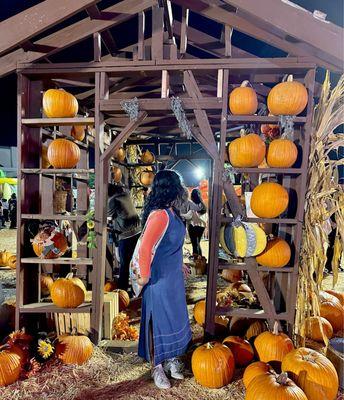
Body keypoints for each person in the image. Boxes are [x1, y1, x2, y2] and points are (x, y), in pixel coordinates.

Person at [136, 170, 191, 390]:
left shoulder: (172, 213)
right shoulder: (159, 215)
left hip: (173, 278)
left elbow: (170, 246)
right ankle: (156, 366)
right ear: (172, 188)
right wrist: (145, 276)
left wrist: (180, 264)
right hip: (158, 279)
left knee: (174, 318)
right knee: (157, 321)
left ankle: (170, 360)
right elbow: (145, 247)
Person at [107, 184, 141, 291]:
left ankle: (122, 290)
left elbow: (105, 214)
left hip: (126, 235)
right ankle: (138, 288)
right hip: (137, 232)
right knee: (136, 262)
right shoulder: (126, 195)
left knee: (124, 265)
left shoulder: (113, 200)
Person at [181, 188, 207, 257]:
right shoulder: (202, 204)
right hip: (201, 226)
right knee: (197, 243)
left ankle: (196, 261)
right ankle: (200, 259)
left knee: (194, 244)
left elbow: (189, 216)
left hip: (192, 225)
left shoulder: (189, 204)